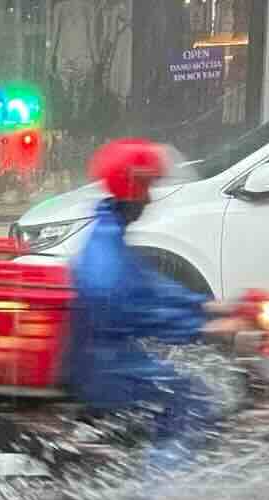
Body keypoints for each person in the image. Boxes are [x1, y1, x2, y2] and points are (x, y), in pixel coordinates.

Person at [63, 139, 246, 481]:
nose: (149, 197)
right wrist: (203, 328)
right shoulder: (107, 254)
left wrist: (212, 306)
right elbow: (137, 312)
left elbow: (151, 289)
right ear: (129, 186)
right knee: (192, 400)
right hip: (104, 366)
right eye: (146, 186)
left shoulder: (109, 233)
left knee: (190, 382)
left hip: (108, 355)